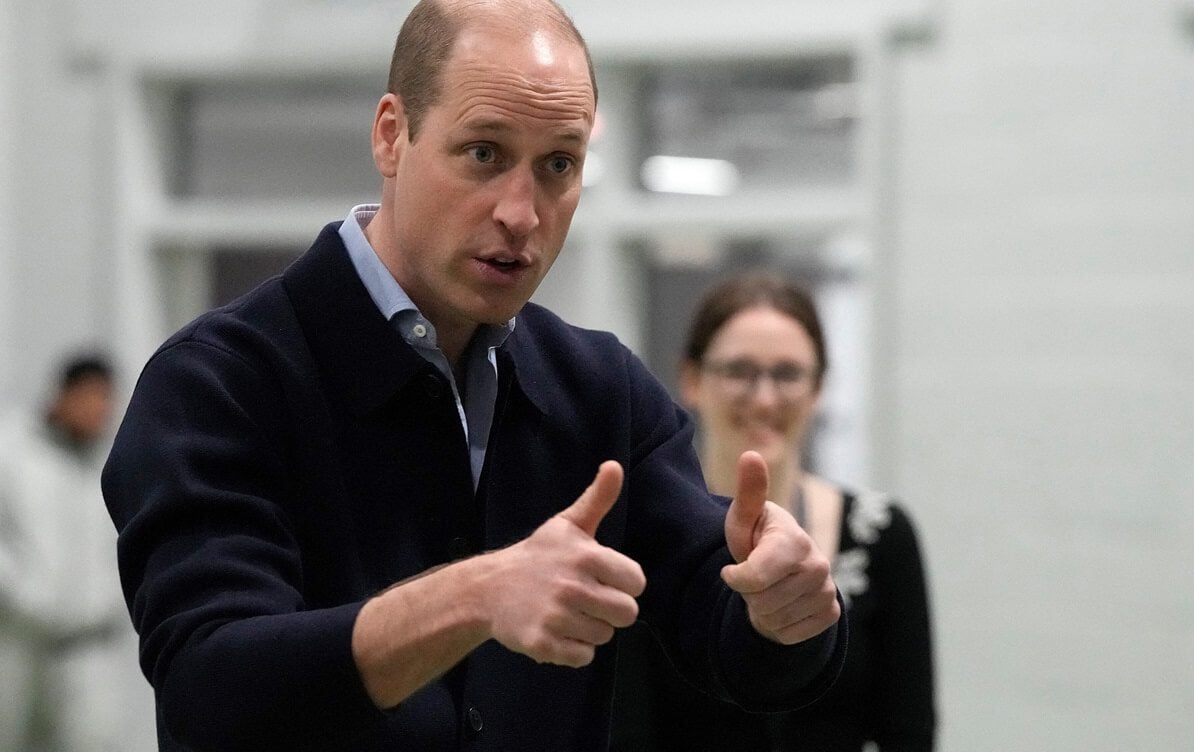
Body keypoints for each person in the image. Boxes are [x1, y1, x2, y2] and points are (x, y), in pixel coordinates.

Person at [100, 2, 848, 750]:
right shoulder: (219, 385)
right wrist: (478, 596)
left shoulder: (600, 391)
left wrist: (783, 611)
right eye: (484, 153)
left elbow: (721, 632)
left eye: (559, 164)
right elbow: (213, 691)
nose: (522, 214)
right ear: (392, 135)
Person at [622, 272, 936, 750]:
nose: (764, 398)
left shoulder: (882, 536)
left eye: (787, 374)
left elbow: (910, 733)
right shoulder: (643, 532)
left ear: (819, 388)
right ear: (691, 380)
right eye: (739, 372)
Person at [0, 353, 156, 752]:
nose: (99, 410)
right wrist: (19, 596)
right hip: (16, 643)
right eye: (91, 397)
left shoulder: (113, 463)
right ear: (64, 394)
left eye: (107, 399)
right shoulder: (12, 452)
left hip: (90, 651)